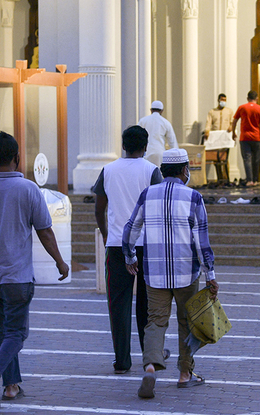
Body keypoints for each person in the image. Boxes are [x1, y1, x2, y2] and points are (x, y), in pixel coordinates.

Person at [0, 131, 70, 413]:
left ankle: (11, 386)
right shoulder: (28, 189)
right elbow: (44, 232)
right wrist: (60, 262)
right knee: (16, 334)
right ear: (18, 159)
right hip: (18, 275)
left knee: (2, 331)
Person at [122, 148, 219, 399]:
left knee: (155, 321)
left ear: (163, 171)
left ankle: (151, 367)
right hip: (186, 273)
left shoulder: (148, 194)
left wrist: (129, 256)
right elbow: (202, 242)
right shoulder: (193, 197)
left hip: (154, 273)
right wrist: (210, 275)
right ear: (185, 170)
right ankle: (185, 374)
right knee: (187, 321)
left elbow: (131, 228)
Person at [92, 125, 165, 374]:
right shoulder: (152, 171)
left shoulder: (108, 170)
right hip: (147, 246)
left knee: (118, 305)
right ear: (145, 147)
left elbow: (98, 208)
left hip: (116, 246)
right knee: (148, 303)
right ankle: (150, 358)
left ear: (123, 145)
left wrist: (105, 233)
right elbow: (159, 210)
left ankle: (122, 360)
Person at [231, 91, 260, 186]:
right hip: (256, 137)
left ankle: (249, 180)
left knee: (247, 159)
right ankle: (255, 180)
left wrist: (233, 133)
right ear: (257, 98)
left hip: (244, 137)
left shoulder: (242, 107)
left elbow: (234, 121)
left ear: (247, 98)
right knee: (256, 159)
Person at [204, 94, 234, 182]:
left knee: (224, 158)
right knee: (216, 159)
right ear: (218, 100)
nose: (223, 102)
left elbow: (232, 122)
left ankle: (226, 178)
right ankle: (219, 178)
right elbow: (208, 123)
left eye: (225, 100)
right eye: (222, 100)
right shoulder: (212, 112)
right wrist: (207, 131)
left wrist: (231, 127)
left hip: (225, 138)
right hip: (216, 139)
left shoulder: (229, 111)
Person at [139, 100, 179, 166]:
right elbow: (172, 142)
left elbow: (136, 136)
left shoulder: (143, 121)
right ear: (162, 111)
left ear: (151, 110)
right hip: (160, 154)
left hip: (146, 153)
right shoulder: (166, 122)